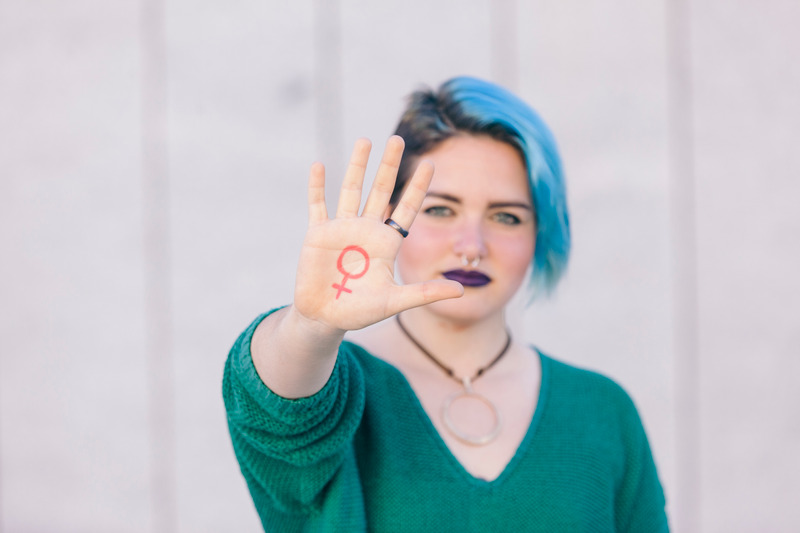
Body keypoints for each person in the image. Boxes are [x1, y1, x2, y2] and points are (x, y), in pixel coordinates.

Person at [223, 76, 669, 532]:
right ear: (388, 218)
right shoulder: (336, 393)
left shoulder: (602, 411)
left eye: (506, 217)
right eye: (440, 210)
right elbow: (274, 404)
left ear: (541, 233)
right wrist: (311, 327)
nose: (472, 245)